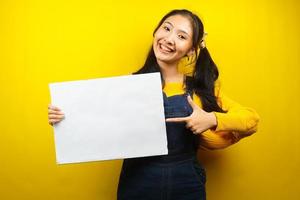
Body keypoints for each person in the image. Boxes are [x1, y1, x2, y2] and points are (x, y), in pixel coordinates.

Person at [48, 9, 260, 200]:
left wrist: (210, 118)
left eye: (181, 36)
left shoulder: (200, 89)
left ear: (191, 50)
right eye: (166, 28)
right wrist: (65, 119)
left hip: (187, 183)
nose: (169, 39)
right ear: (156, 32)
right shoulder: (128, 87)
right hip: (138, 182)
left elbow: (252, 119)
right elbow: (98, 125)